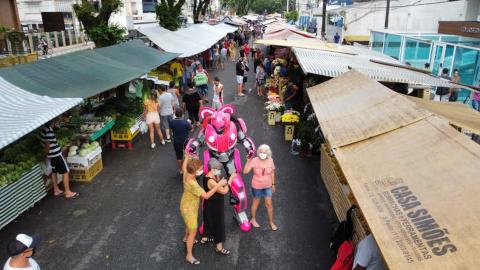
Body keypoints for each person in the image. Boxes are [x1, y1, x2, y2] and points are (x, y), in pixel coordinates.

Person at [180, 155, 227, 265]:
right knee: (193, 231)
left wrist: (186, 156)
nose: (202, 170)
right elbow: (206, 196)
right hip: (189, 209)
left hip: (185, 204)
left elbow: (183, 167)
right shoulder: (192, 183)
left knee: (188, 224)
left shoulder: (186, 174)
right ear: (194, 170)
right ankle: (189, 255)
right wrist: (218, 185)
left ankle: (185, 238)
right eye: (200, 169)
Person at [200, 158, 234, 255]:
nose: (219, 170)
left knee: (208, 219)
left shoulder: (211, 175)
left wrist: (219, 179)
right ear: (212, 168)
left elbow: (219, 181)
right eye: (218, 168)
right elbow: (224, 191)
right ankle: (219, 247)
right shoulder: (210, 181)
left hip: (210, 203)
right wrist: (230, 179)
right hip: (215, 205)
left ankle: (205, 238)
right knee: (219, 223)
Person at [243, 144, 277, 231]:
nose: (262, 153)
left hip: (268, 186)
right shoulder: (254, 160)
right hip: (256, 186)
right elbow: (245, 172)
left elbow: (272, 172)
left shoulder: (270, 160)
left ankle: (271, 222)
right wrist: (248, 161)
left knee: (269, 204)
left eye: (264, 152)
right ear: (258, 153)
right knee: (256, 203)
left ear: (268, 153)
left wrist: (273, 184)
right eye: (261, 152)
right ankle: (253, 219)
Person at [40, 121, 78, 198]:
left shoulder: (43, 129)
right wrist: (44, 154)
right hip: (56, 154)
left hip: (50, 155)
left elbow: (44, 143)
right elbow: (47, 145)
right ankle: (68, 192)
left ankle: (56, 190)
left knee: (54, 171)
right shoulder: (48, 131)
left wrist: (46, 154)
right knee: (66, 171)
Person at [169, 108, 192, 174]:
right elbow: (191, 129)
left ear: (175, 115)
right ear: (182, 115)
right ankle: (186, 169)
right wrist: (189, 123)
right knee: (187, 155)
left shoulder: (172, 122)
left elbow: (171, 130)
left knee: (179, 156)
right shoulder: (185, 122)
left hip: (176, 141)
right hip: (185, 142)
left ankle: (181, 170)